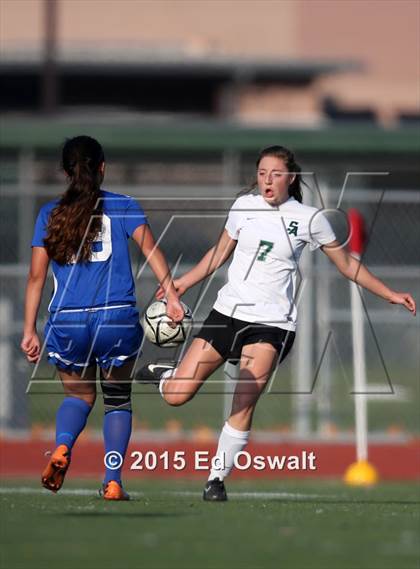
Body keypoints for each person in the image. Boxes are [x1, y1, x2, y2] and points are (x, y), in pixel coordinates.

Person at [137, 145, 417, 501]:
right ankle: (165, 376)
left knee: (245, 398)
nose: (268, 180)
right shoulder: (243, 207)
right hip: (227, 315)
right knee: (178, 396)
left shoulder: (311, 219)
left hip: (272, 324)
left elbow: (347, 266)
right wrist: (182, 283)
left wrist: (389, 293)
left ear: (292, 178)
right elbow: (218, 255)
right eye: (262, 173)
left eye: (276, 174)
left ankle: (215, 479)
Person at [21, 135, 184, 500]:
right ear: (102, 168)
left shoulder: (50, 214)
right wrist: (172, 295)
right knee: (117, 399)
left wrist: (28, 328)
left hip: (68, 321)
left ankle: (63, 447)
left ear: (65, 172)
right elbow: (152, 252)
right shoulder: (123, 206)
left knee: (79, 398)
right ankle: (112, 480)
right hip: (115, 318)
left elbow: (36, 277)